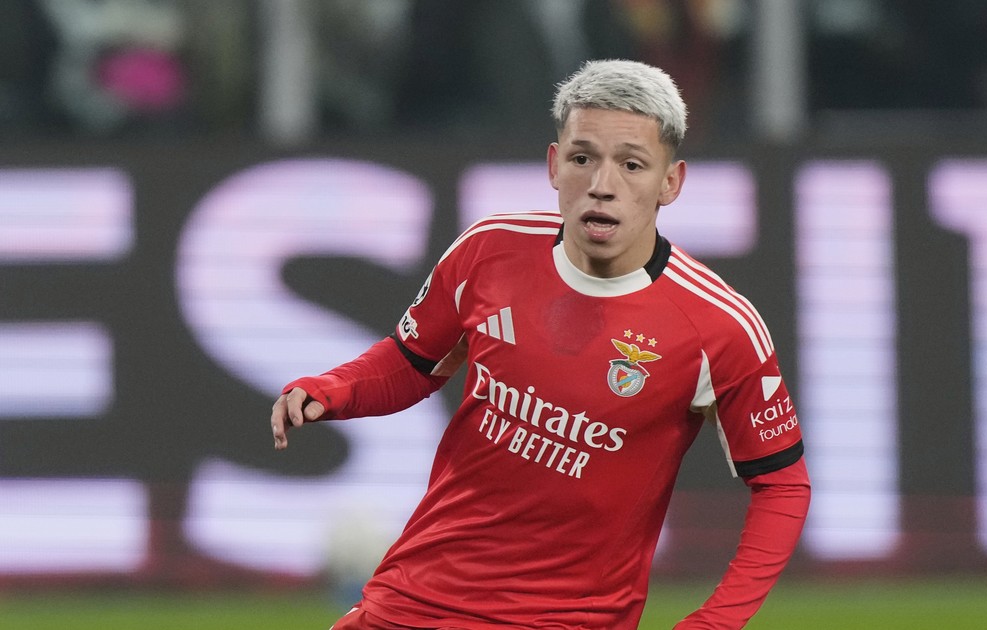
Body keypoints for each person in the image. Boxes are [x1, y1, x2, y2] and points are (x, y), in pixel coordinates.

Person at [270, 58, 810, 630]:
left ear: (670, 182)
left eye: (631, 164)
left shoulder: (720, 326)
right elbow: (411, 362)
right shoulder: (489, 250)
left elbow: (782, 484)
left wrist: (716, 620)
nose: (602, 185)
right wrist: (332, 389)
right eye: (583, 159)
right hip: (414, 599)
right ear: (554, 165)